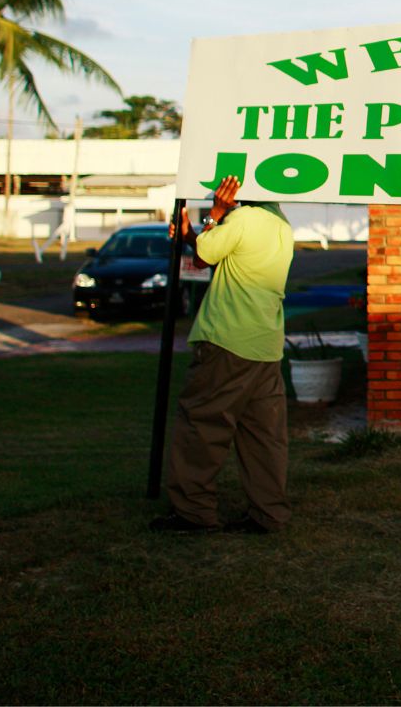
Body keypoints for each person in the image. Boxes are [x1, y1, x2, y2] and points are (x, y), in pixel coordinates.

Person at [150, 174, 297, 534]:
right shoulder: (282, 225)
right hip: (265, 347)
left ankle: (193, 512)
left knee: (202, 424)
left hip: (227, 341)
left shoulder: (242, 219)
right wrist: (192, 232)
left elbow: (202, 257)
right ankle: (269, 514)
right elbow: (220, 254)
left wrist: (215, 213)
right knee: (263, 436)